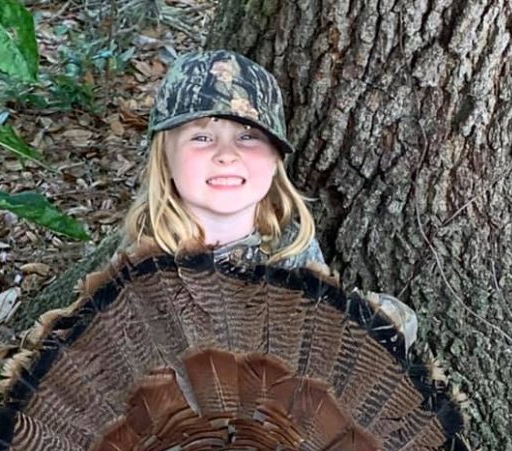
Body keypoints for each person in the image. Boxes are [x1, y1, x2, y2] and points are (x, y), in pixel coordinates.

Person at [122, 49, 417, 347]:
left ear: (276, 159)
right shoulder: (140, 263)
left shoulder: (291, 249)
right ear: (164, 159)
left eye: (247, 137)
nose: (226, 155)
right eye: (201, 138)